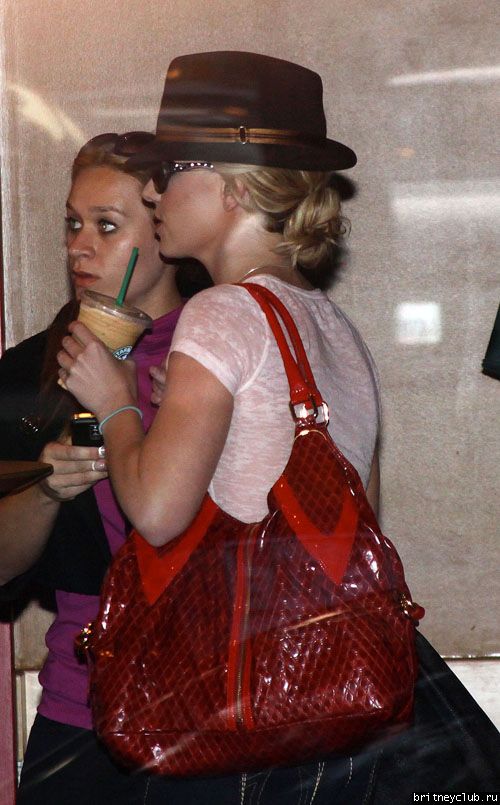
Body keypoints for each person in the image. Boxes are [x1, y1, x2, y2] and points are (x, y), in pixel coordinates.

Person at [57, 53, 384, 804]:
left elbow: (157, 513)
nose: (152, 190)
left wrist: (115, 402)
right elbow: (358, 519)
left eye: (172, 170)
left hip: (228, 699)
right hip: (320, 703)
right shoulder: (331, 324)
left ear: (234, 189)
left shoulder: (220, 311)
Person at [0, 131, 208, 803]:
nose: (79, 246)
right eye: (72, 224)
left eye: (107, 225)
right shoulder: (31, 372)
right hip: (81, 707)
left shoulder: (217, 356)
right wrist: (46, 490)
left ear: (165, 230)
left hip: (212, 705)